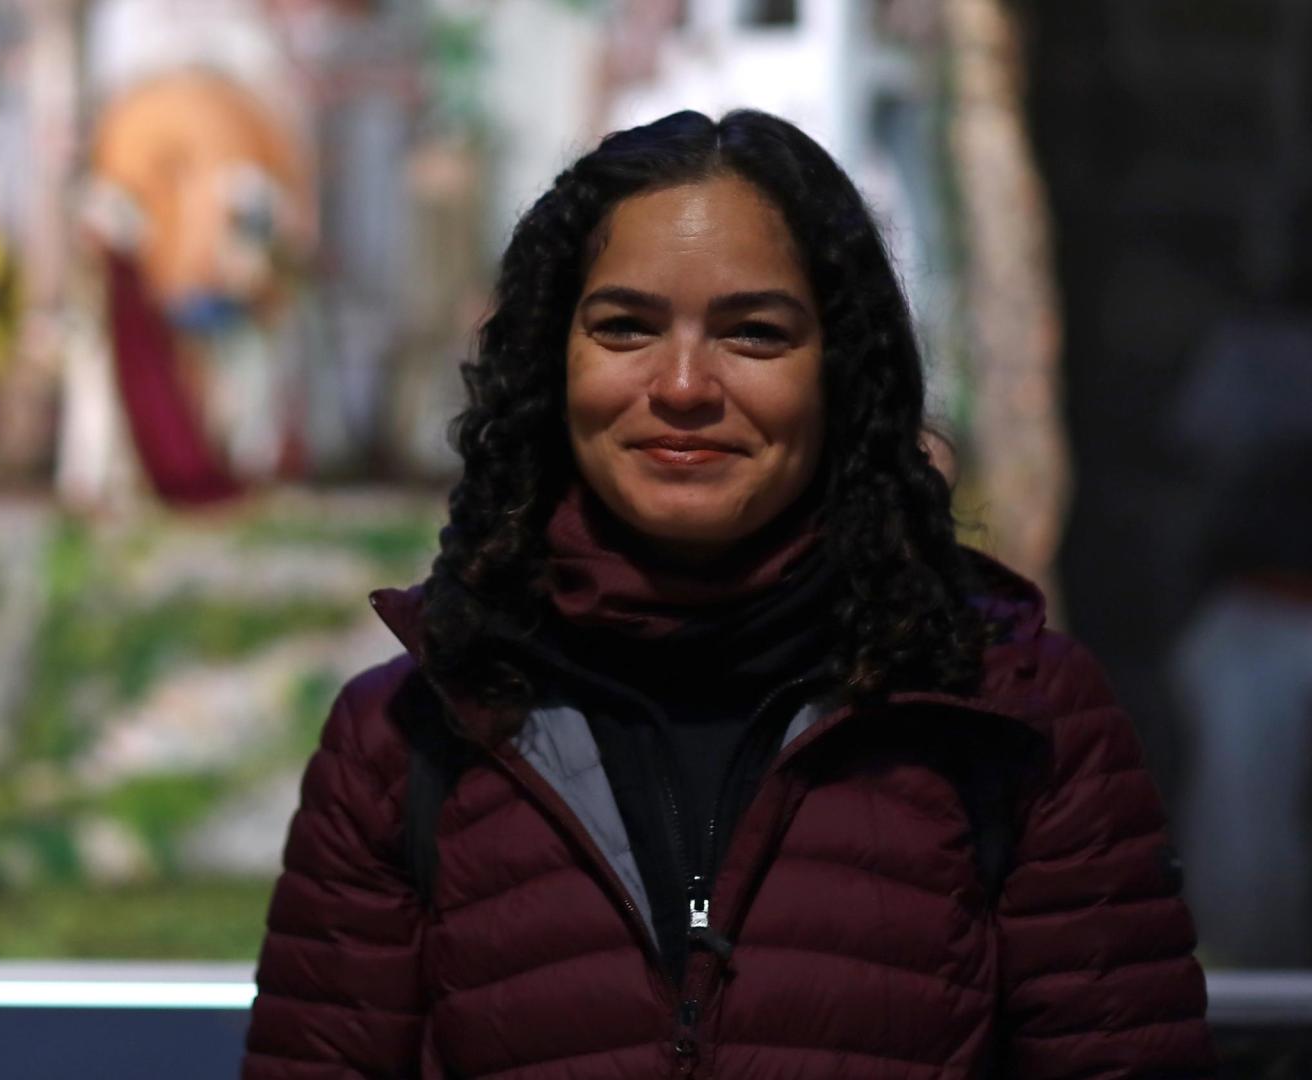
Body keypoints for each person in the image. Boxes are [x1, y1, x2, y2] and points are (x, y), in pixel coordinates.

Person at [242, 110, 1215, 1078]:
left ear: (842, 374)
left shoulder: (1017, 716)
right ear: (552, 362)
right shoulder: (407, 738)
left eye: (753, 333)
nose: (682, 386)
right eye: (625, 327)